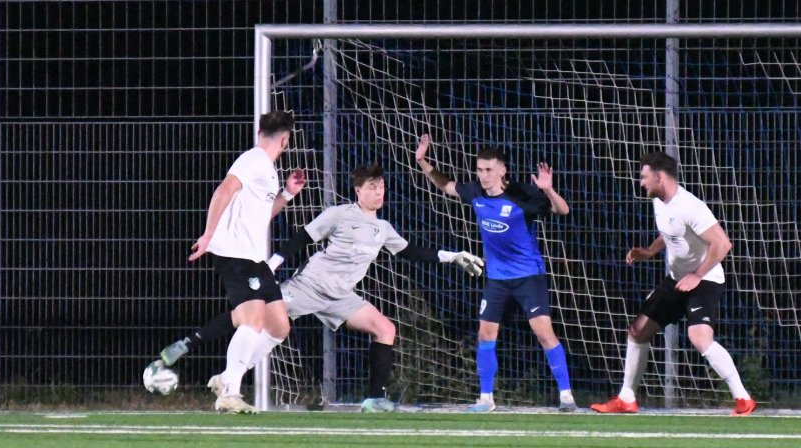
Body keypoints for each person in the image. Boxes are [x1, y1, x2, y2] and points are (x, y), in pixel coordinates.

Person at [155, 163, 484, 413]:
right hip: (307, 287)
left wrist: (452, 256)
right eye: (372, 187)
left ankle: (374, 398)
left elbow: (413, 252)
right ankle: (196, 348)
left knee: (385, 328)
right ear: (358, 190)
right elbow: (302, 238)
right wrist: (274, 263)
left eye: (382, 187)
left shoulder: (383, 229)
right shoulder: (338, 215)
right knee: (254, 318)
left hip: (341, 297)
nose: (379, 192)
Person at [416, 134, 577, 412]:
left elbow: (562, 210)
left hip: (529, 276)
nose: (484, 175)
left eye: (489, 170)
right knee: (486, 334)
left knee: (543, 333)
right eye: (479, 170)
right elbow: (446, 186)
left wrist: (548, 190)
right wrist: (422, 161)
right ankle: (486, 399)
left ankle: (566, 395)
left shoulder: (521, 194)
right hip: (497, 279)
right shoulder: (475, 193)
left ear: (502, 171)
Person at [591, 151, 755, 416]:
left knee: (699, 338)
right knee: (637, 331)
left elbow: (723, 244)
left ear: (660, 176)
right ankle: (626, 398)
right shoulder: (659, 201)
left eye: (644, 177)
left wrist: (697, 275)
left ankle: (743, 398)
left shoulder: (690, 206)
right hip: (677, 280)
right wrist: (649, 252)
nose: (641, 182)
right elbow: (669, 232)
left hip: (706, 280)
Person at [183, 110, 305, 413]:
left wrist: (288, 194)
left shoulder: (267, 168)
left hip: (254, 259)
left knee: (279, 327)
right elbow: (224, 190)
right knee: (252, 320)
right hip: (235, 256)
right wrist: (209, 235)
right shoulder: (253, 160)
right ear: (285, 140)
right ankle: (230, 393)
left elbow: (264, 213)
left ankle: (226, 377)